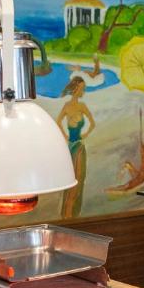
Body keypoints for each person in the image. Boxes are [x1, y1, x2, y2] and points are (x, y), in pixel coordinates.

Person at [56, 77, 95, 219]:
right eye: (82, 88)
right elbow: (58, 121)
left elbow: (92, 123)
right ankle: (67, 213)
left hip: (79, 145)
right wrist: (65, 137)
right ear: (76, 89)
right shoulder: (67, 106)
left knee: (79, 179)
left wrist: (85, 134)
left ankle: (72, 213)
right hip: (70, 147)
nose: (83, 91)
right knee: (71, 179)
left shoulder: (82, 106)